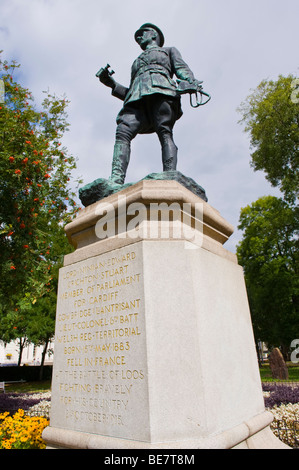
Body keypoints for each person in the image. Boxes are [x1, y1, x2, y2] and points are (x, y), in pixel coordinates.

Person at [99, 23, 202, 185]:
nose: (139, 37)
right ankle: (116, 179)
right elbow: (132, 91)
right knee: (122, 131)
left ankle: (169, 174)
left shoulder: (168, 51)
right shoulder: (136, 62)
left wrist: (190, 81)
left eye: (143, 33)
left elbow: (182, 69)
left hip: (163, 91)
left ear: (154, 34)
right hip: (137, 101)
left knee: (164, 131)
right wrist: (112, 84)